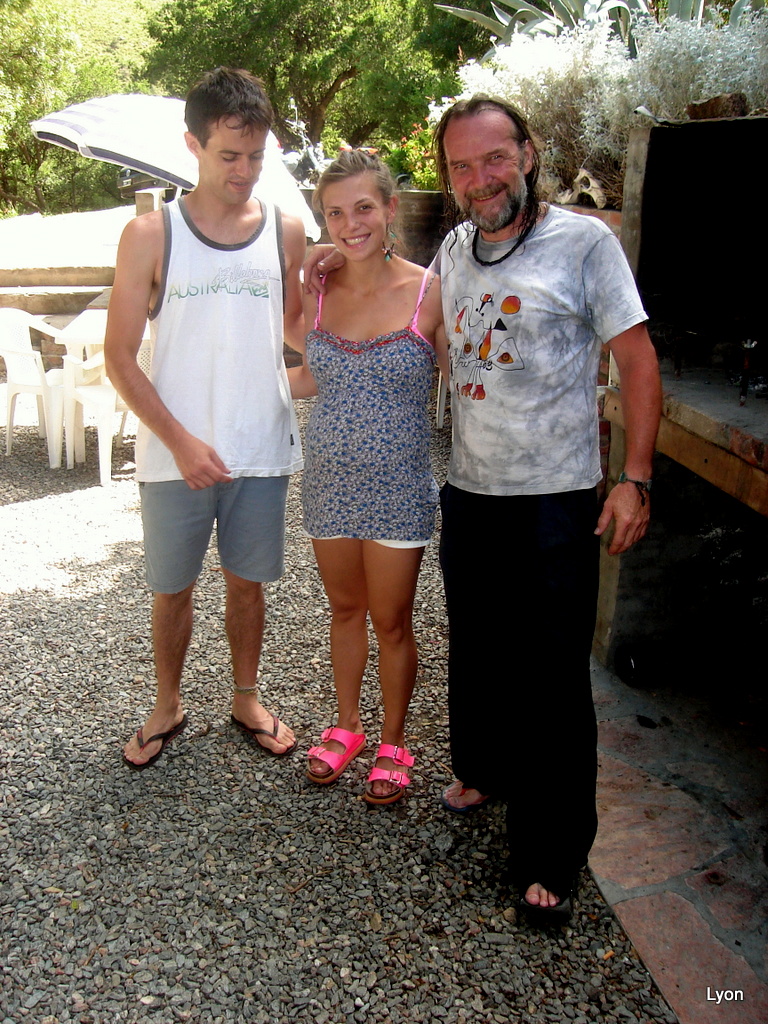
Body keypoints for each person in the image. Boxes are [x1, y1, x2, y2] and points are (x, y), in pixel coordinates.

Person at [306, 96, 661, 918]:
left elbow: (638, 360)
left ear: (527, 155)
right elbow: (387, 302)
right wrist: (322, 260)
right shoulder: (456, 251)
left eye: (494, 158)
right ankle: (482, 771)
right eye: (461, 166)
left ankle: (551, 853)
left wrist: (635, 477)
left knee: (553, 681)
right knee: (480, 653)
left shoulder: (585, 244)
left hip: (554, 499)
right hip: (470, 492)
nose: (479, 179)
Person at [106, 68, 306, 769]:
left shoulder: (286, 232)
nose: (244, 171)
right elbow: (120, 357)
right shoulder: (149, 234)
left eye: (255, 156)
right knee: (172, 589)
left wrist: (347, 296)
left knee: (248, 585)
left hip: (260, 446)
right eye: (228, 155)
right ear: (192, 144)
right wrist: (181, 442)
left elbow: (297, 332)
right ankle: (167, 703)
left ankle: (246, 697)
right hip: (174, 455)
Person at [289, 149, 448, 804]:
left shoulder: (431, 291)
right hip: (327, 482)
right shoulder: (319, 290)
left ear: (389, 209)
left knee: (392, 621)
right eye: (334, 213)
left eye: (362, 208)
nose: (350, 224)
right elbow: (309, 376)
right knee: (345, 610)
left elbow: (471, 381)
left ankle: (394, 739)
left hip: (399, 488)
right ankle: (348, 725)